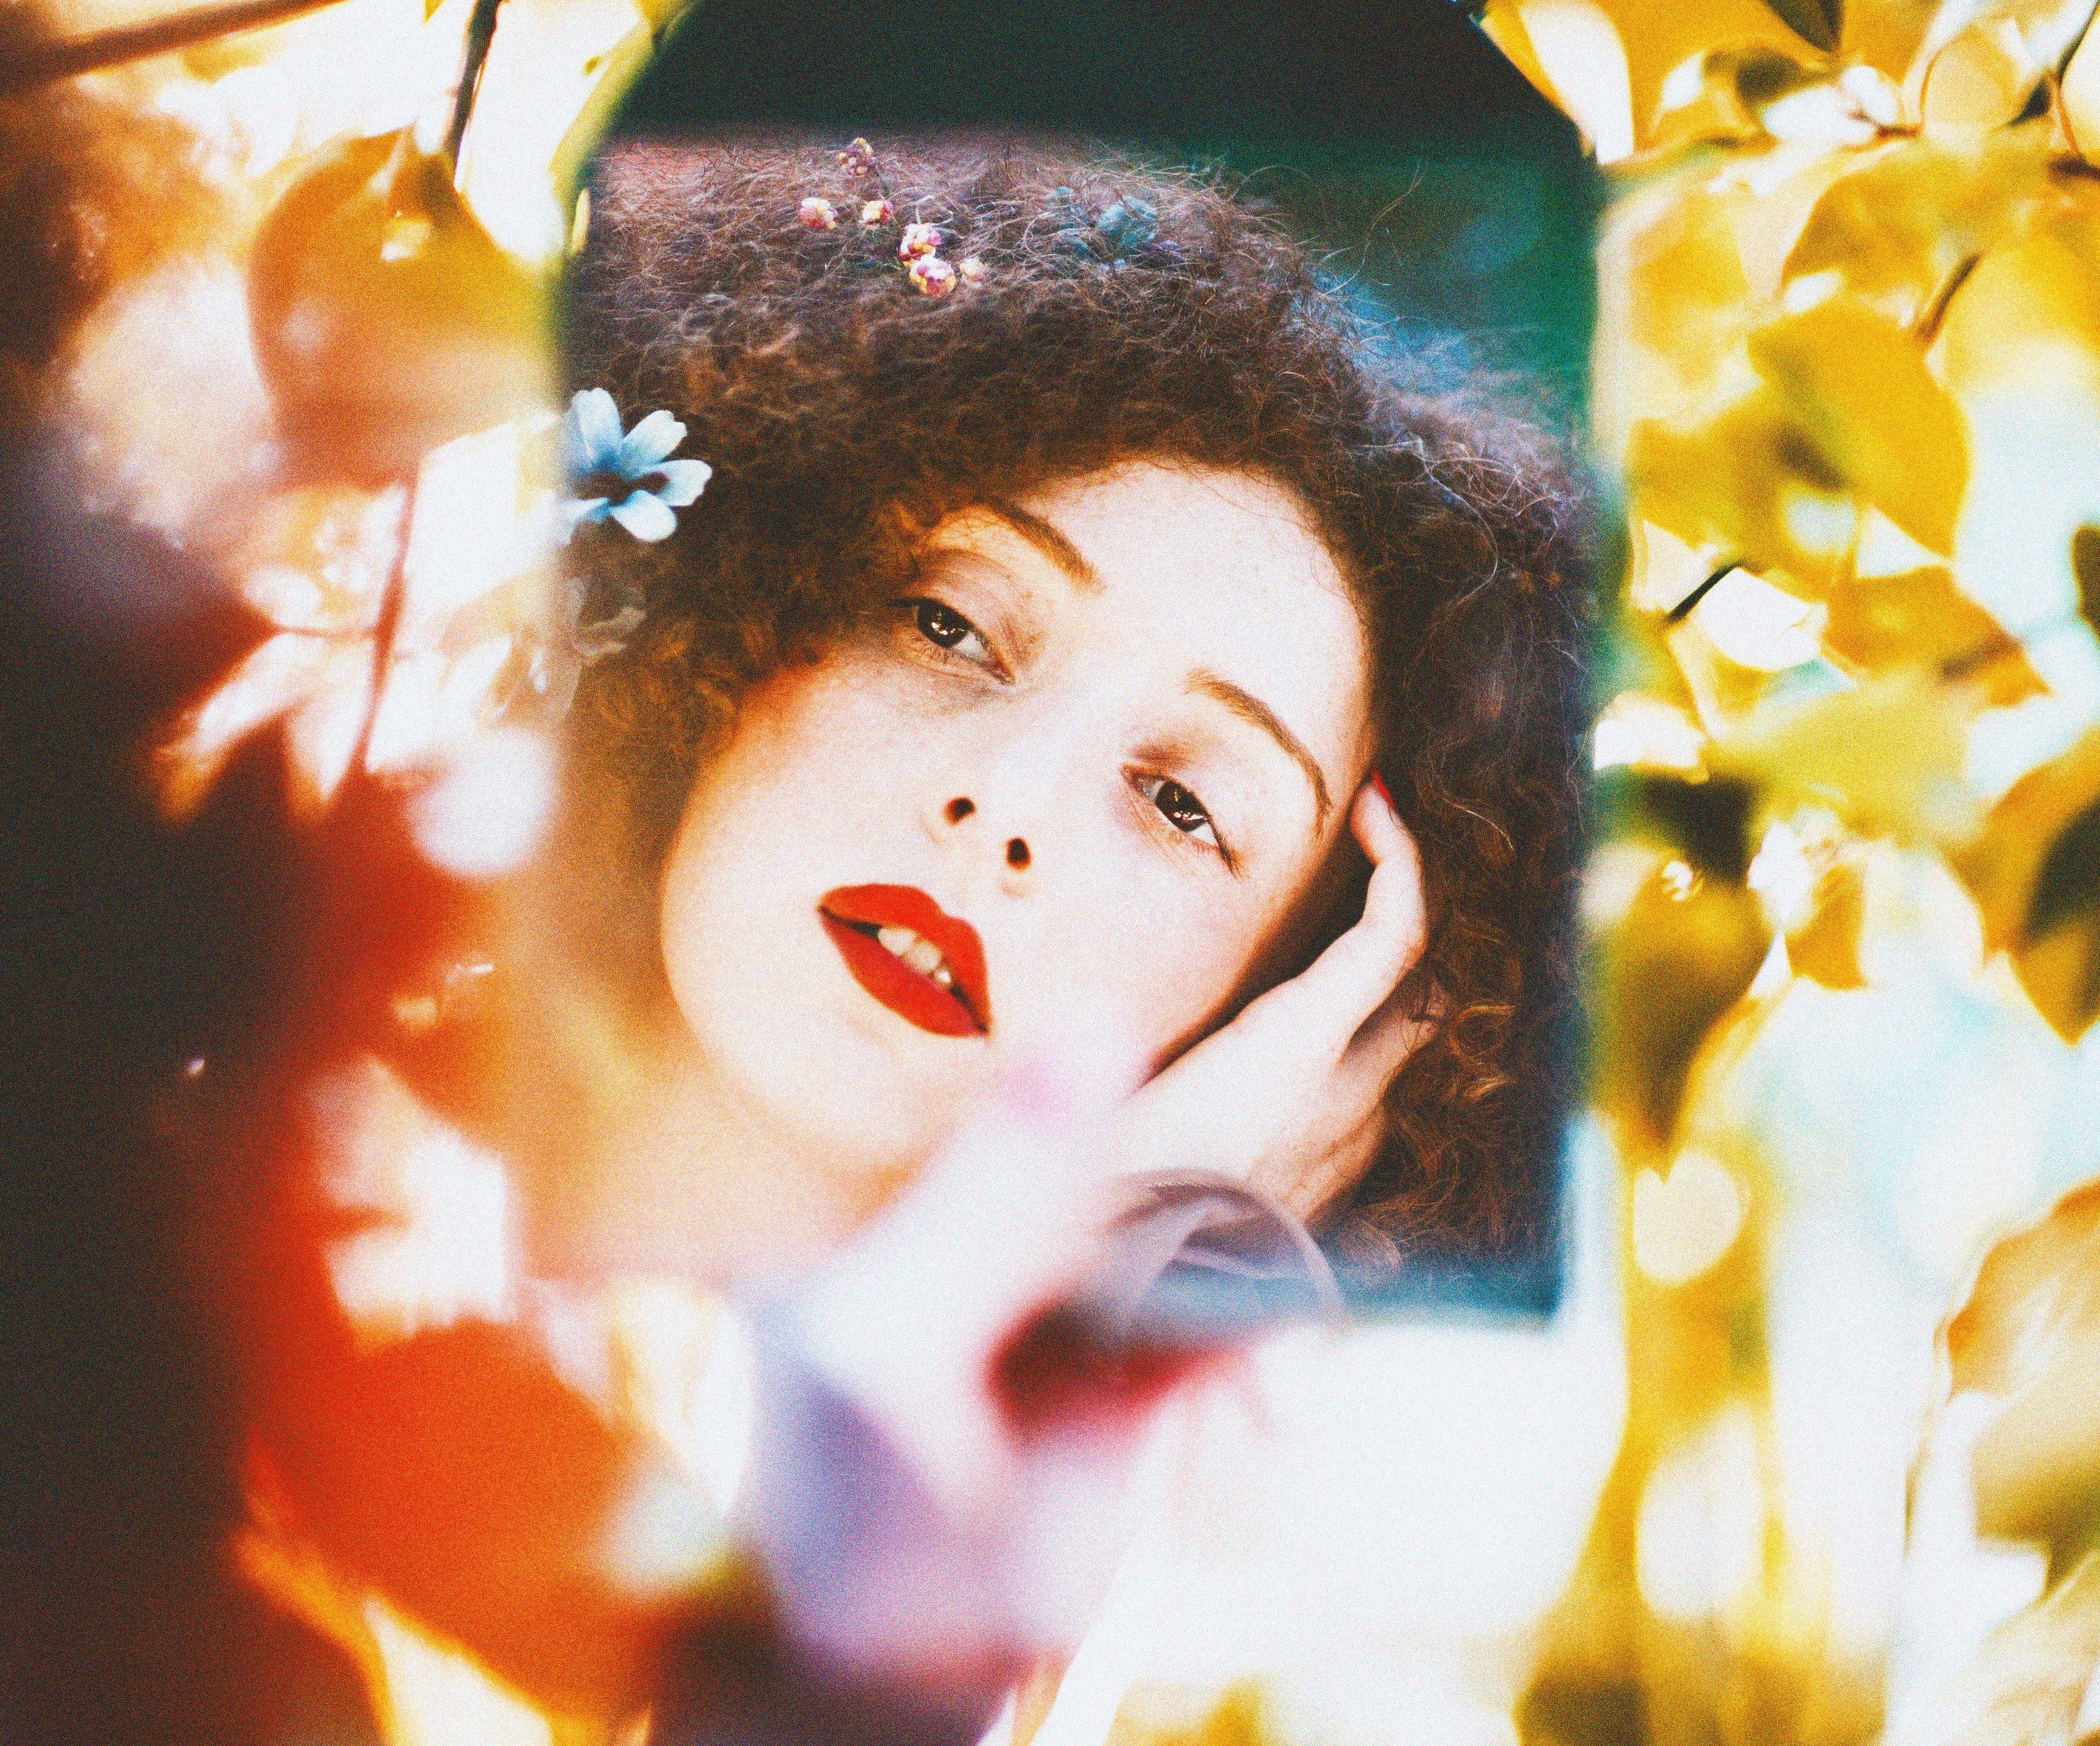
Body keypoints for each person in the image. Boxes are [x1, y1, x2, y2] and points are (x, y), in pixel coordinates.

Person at [238, 137, 1591, 1744]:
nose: (1003, 809)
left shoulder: (1136, 1627)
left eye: (1178, 803)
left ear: (1280, 1002)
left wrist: (1122, 1238)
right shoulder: (222, 1246)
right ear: (743, 626)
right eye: (948, 622)